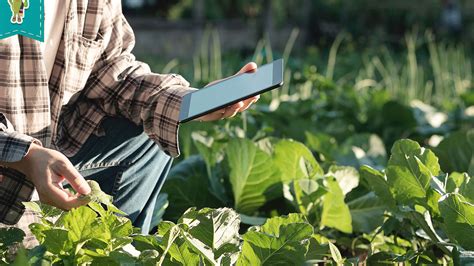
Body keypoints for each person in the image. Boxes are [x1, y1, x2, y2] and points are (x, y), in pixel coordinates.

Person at [0, 0, 259, 246]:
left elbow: (114, 73)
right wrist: (26, 155)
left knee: (148, 138)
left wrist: (196, 102)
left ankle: (111, 253)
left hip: (50, 157)